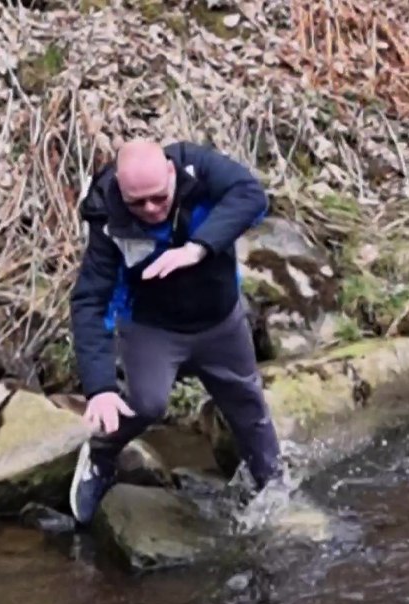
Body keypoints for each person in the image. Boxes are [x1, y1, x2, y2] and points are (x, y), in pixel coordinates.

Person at [66, 138, 290, 525]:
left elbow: (251, 196)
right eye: (138, 202)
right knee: (146, 404)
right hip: (152, 328)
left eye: (159, 197)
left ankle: (272, 487)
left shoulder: (198, 170)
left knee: (247, 404)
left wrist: (196, 249)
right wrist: (99, 387)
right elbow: (90, 300)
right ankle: (101, 454)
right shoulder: (107, 217)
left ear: (171, 173)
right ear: (120, 189)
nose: (151, 209)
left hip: (220, 320)